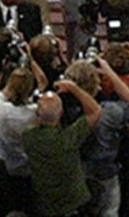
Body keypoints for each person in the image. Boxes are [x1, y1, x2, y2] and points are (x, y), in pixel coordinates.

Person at [20, 82, 101, 217]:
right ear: (62, 113)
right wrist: (73, 87)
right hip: (75, 202)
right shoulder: (68, 138)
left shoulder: (28, 137)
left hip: (47, 206)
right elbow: (96, 111)